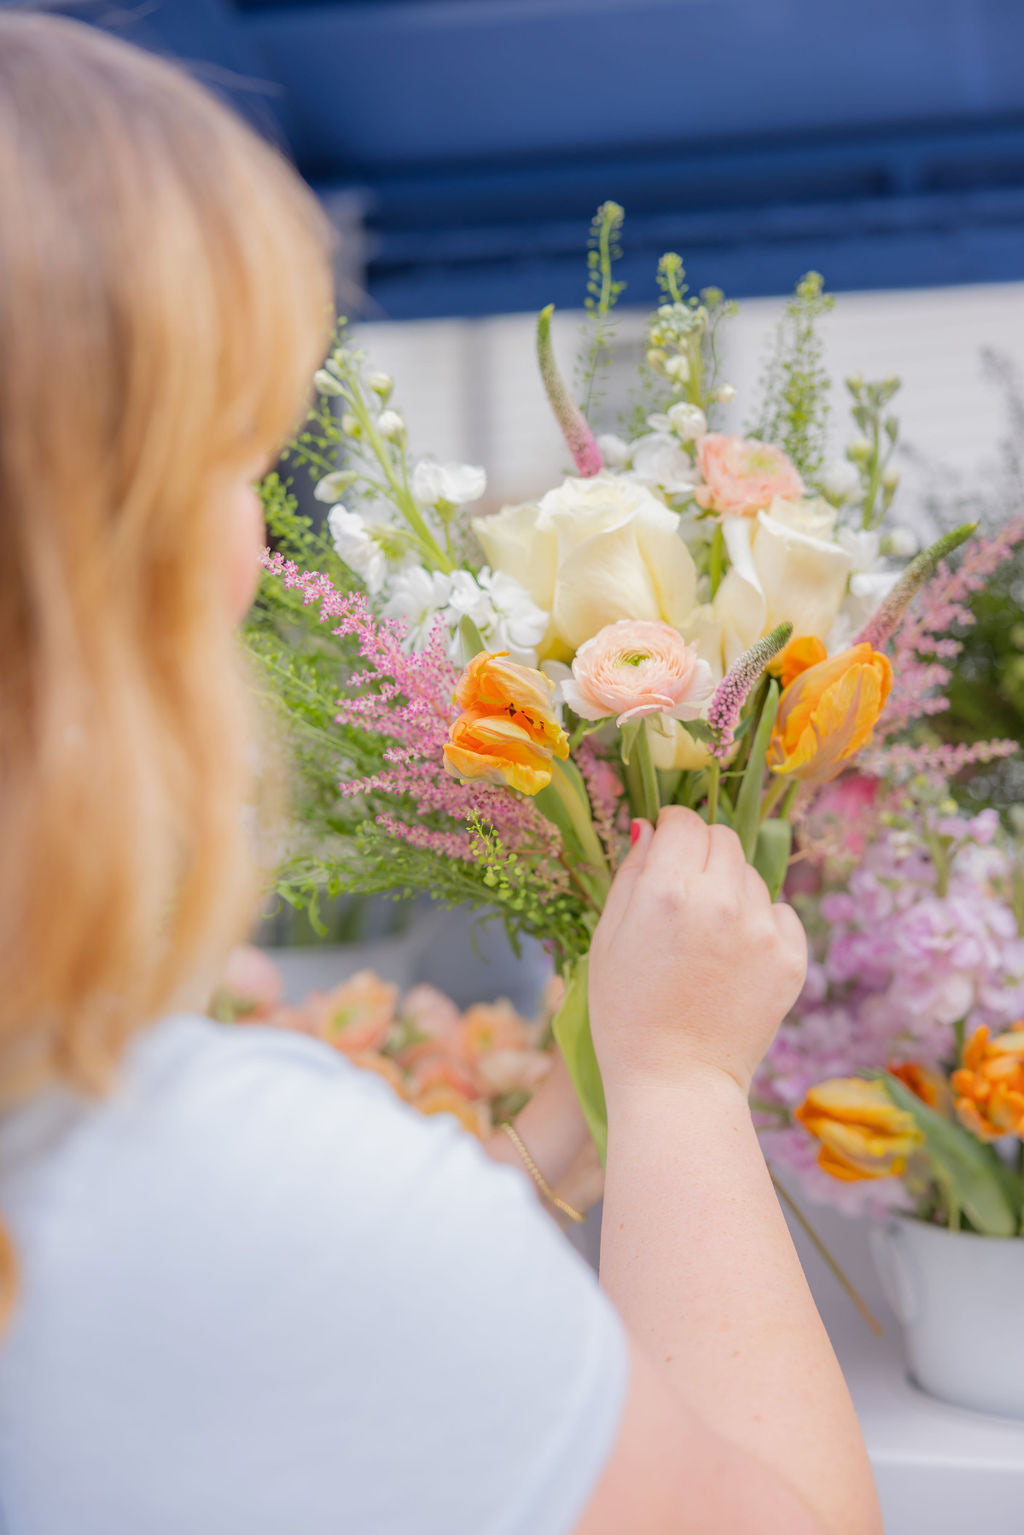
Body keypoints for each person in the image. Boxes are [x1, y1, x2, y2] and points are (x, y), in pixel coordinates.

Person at [0, 13, 882, 1535]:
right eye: (229, 459)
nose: (251, 549)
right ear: (90, 560)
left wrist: (554, 1142)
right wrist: (676, 1085)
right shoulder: (197, 1179)